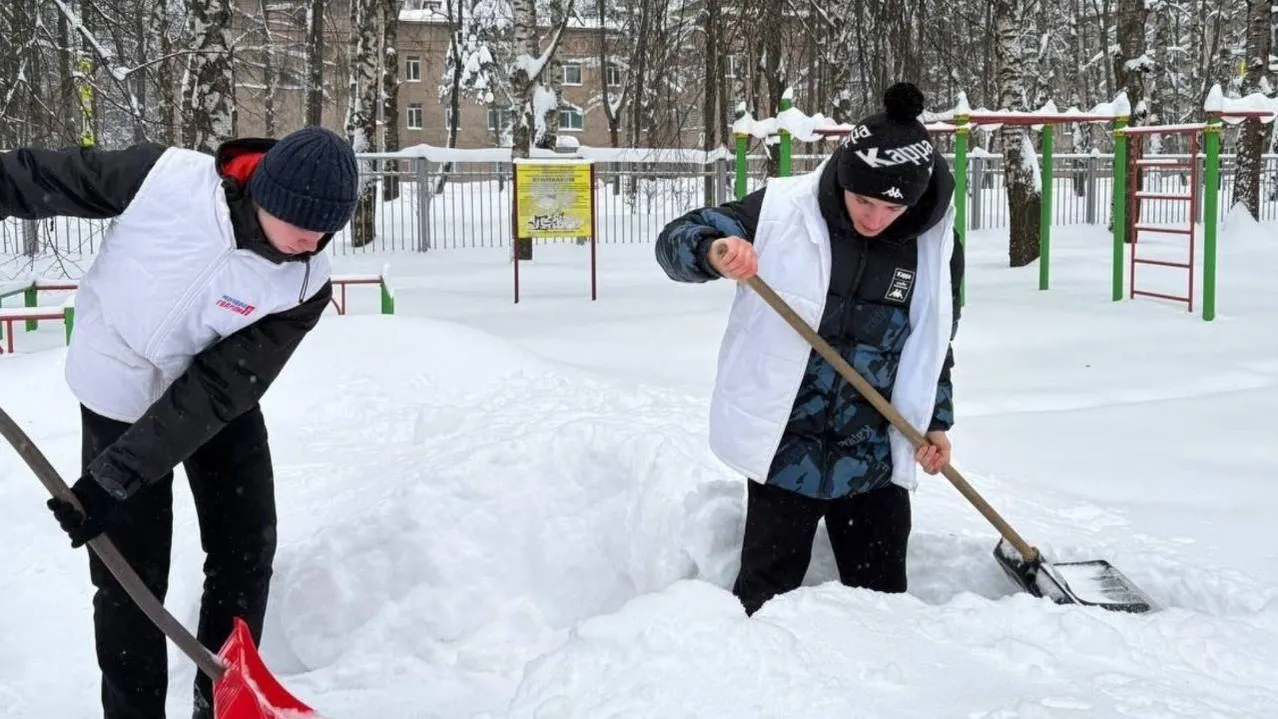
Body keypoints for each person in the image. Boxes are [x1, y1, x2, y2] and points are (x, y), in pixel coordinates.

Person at [0, 125, 358, 717]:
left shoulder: (305, 282)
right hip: (117, 382)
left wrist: (118, 475)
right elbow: (42, 176)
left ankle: (221, 698)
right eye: (302, 221)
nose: (313, 239)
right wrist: (114, 478)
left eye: (327, 228)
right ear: (266, 195)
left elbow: (219, 388)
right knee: (128, 579)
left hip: (212, 395)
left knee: (246, 547)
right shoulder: (163, 180)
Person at [655, 82, 964, 616]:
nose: (874, 218)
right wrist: (715, 249)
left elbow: (936, 340)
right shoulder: (783, 211)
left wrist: (934, 420)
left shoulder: (934, 244)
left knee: (886, 611)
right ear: (844, 177)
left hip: (872, 457)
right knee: (763, 600)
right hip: (787, 449)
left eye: (891, 207)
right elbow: (677, 239)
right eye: (863, 200)